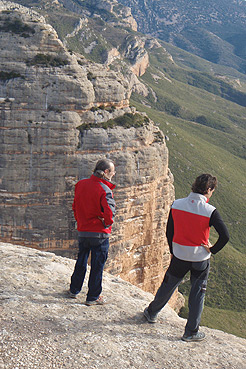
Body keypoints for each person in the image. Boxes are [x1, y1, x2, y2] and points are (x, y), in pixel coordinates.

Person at [143, 174, 229, 342]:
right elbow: (225, 236)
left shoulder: (177, 204)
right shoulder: (210, 211)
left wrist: (173, 250)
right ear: (209, 190)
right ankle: (191, 332)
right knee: (198, 293)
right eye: (212, 190)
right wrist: (212, 249)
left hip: (180, 254)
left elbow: (169, 232)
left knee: (168, 286)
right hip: (200, 258)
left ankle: (151, 313)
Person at [69, 158, 116, 305]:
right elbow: (110, 214)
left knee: (81, 261)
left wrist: (81, 221)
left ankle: (74, 290)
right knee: (97, 265)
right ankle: (92, 297)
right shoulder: (104, 190)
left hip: (83, 231)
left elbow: (75, 207)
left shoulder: (80, 184)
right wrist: (106, 223)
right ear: (106, 172)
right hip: (99, 234)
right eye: (113, 172)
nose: (113, 175)